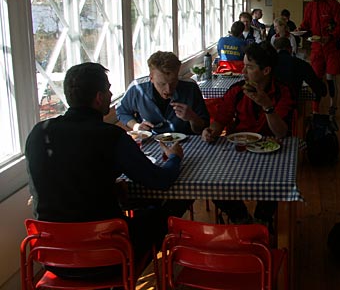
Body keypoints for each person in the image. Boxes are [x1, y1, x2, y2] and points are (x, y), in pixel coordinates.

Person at [25, 62, 184, 280]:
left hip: (52, 255)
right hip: (106, 253)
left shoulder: (37, 133)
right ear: (99, 97)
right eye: (109, 89)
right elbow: (160, 180)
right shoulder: (111, 136)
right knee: (161, 214)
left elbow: (62, 176)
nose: (111, 94)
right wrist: (175, 156)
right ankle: (127, 278)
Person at [202, 42, 294, 225]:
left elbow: (282, 132)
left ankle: (262, 220)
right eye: (244, 66)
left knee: (274, 185)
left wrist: (267, 106)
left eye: (249, 67)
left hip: (271, 153)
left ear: (266, 70)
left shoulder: (282, 92)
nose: (243, 72)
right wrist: (211, 131)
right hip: (239, 149)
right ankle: (240, 217)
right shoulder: (236, 91)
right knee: (214, 184)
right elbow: (220, 120)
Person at [117, 51, 209, 135]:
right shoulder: (137, 88)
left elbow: (203, 128)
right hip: (151, 144)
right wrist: (136, 126)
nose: (168, 90)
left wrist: (192, 117)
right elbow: (121, 111)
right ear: (151, 78)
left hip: (187, 144)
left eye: (173, 82)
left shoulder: (190, 88)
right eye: (162, 84)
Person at [299, 0, 340, 126]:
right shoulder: (310, 7)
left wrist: (331, 37)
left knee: (330, 78)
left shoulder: (333, 4)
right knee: (315, 79)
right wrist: (300, 30)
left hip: (332, 48)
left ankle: (333, 108)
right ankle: (315, 111)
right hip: (316, 49)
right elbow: (306, 24)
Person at [273, 37, 326, 106]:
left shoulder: (268, 64)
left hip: (269, 105)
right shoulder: (300, 64)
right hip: (291, 104)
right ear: (290, 49)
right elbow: (320, 90)